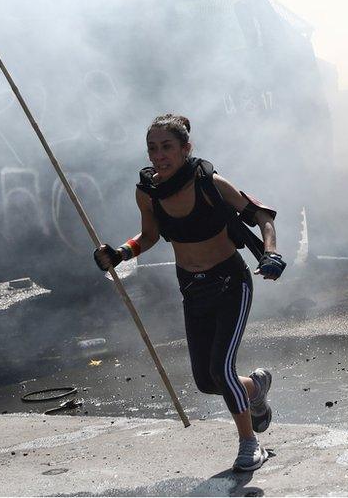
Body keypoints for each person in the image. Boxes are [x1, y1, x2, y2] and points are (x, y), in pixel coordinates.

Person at [93, 114, 286, 472]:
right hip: (192, 289)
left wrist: (271, 252)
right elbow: (148, 236)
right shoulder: (148, 191)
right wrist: (120, 253)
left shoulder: (209, 182)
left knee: (221, 367)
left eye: (167, 147)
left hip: (231, 283)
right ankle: (255, 390)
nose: (159, 155)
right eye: (153, 148)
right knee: (207, 381)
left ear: (186, 148)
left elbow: (262, 216)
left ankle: (249, 444)